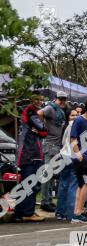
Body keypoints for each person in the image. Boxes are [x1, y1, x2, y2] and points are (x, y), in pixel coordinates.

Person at [12, 94, 47, 222]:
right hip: (29, 154)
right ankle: (27, 212)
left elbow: (43, 132)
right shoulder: (31, 111)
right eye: (37, 99)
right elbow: (43, 129)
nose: (39, 101)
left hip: (32, 153)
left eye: (41, 99)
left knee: (26, 184)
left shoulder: (32, 112)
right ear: (31, 100)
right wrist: (42, 129)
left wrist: (42, 130)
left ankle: (19, 213)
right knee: (30, 184)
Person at [38, 91, 68, 212]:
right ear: (55, 99)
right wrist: (42, 126)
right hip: (50, 145)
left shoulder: (60, 111)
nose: (62, 101)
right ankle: (45, 202)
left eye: (64, 99)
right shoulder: (50, 108)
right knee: (47, 174)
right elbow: (39, 113)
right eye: (60, 99)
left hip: (57, 145)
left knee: (51, 175)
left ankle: (48, 200)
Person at [55, 109, 79, 221]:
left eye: (76, 115)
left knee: (64, 185)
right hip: (71, 156)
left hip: (64, 155)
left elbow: (63, 142)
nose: (75, 117)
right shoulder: (73, 126)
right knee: (71, 186)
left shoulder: (67, 126)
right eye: (72, 115)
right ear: (68, 116)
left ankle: (60, 212)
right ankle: (69, 213)